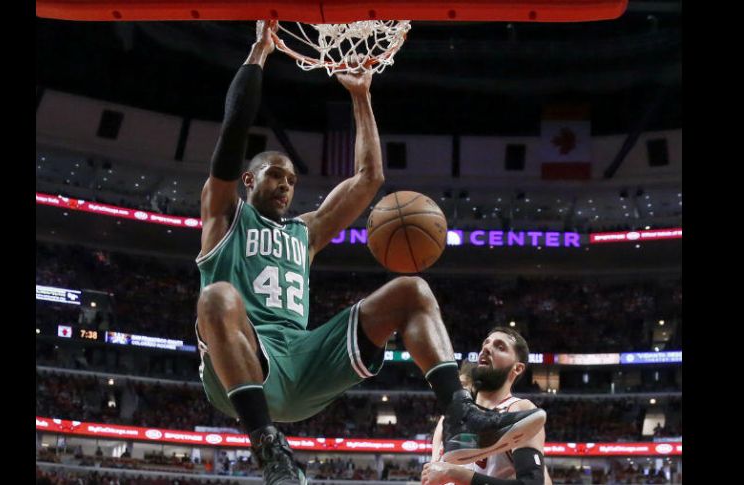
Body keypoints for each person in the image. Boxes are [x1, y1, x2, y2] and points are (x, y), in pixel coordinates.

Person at [194, 20, 545, 485]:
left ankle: (462, 417)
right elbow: (234, 129)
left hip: (304, 361)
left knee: (412, 291)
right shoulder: (224, 217)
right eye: (276, 174)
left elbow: (369, 179)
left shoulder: (308, 231)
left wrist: (361, 96)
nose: (286, 184)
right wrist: (259, 52)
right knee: (218, 297)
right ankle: (269, 449)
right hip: (243, 367)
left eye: (293, 179)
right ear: (249, 180)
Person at [422, 327, 553, 485]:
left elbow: (532, 483)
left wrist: (458, 474)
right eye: (486, 343)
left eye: (500, 347)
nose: (486, 348)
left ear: (517, 368)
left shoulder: (518, 410)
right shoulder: (448, 419)